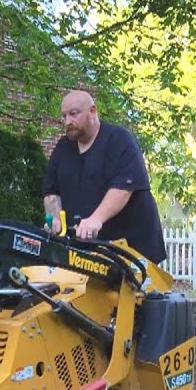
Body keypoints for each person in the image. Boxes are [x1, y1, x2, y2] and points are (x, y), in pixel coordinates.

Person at [42, 90, 167, 264]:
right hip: (85, 252)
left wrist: (95, 220)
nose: (68, 121)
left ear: (92, 112)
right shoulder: (63, 148)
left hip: (133, 250)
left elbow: (123, 188)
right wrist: (55, 218)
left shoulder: (119, 140)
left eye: (73, 114)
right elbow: (51, 190)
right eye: (64, 116)